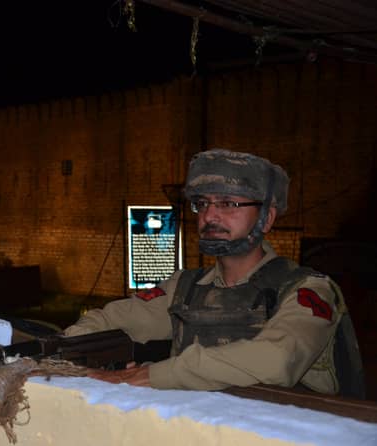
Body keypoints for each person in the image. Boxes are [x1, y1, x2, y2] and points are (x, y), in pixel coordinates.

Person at [64, 148, 362, 396]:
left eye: (229, 203)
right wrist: (66, 350)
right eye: (202, 203)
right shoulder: (184, 287)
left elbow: (277, 359)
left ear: (267, 218)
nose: (209, 215)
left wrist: (155, 375)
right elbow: (111, 319)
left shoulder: (306, 290)